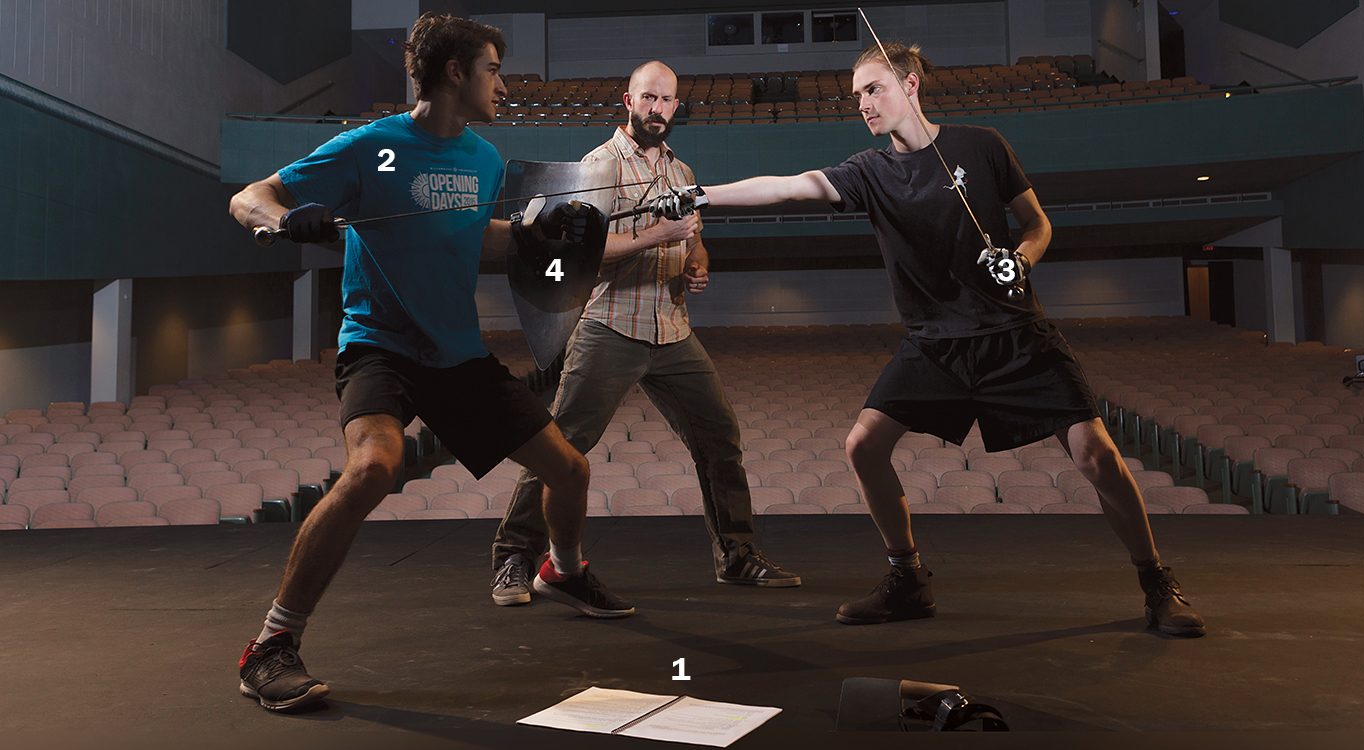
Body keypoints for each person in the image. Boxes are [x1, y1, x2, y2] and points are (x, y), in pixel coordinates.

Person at [651, 43, 1205, 636]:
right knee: (862, 446)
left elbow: (1039, 225)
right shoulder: (870, 171)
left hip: (1015, 333)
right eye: (856, 94)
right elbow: (790, 186)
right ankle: (907, 579)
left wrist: (1021, 260)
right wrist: (702, 194)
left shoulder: (982, 146)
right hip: (935, 344)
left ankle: (1156, 583)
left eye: (873, 89)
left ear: (910, 85)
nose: (862, 103)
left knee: (1097, 455)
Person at [227, 14, 634, 713]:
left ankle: (562, 571)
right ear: (455, 73)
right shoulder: (369, 146)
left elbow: (475, 243)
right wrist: (281, 221)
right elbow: (250, 197)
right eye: (492, 71)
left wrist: (538, 236)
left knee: (569, 469)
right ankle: (270, 645)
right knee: (374, 466)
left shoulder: (483, 160)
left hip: (456, 354)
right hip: (380, 344)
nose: (503, 86)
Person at [490, 61, 799, 605]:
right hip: (612, 325)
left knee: (719, 440)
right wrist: (658, 235)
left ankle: (736, 555)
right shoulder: (599, 166)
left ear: (676, 107)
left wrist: (696, 260)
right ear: (628, 101)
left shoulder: (681, 172)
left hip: (673, 330)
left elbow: (693, 237)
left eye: (667, 100)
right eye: (648, 98)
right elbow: (578, 253)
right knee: (560, 448)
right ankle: (515, 557)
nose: (658, 109)